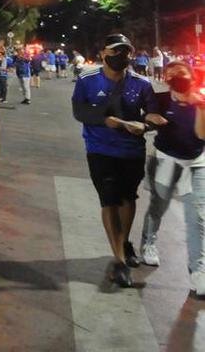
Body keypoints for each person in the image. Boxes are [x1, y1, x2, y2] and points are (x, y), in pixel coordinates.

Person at [70, 33, 162, 288]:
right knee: (108, 199)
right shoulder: (87, 80)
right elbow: (80, 111)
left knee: (127, 198)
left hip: (131, 151)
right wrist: (105, 119)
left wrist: (144, 126)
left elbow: (152, 114)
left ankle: (123, 242)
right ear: (103, 53)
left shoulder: (142, 84)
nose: (121, 57)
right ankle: (120, 260)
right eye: (115, 51)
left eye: (125, 52)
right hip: (99, 149)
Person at [137, 61, 205, 296]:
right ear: (166, 78)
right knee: (159, 204)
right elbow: (146, 119)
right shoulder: (161, 99)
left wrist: (201, 108)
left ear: (191, 76)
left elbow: (201, 135)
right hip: (166, 158)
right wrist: (150, 118)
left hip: (196, 161)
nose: (178, 78)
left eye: (182, 74)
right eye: (172, 75)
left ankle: (198, 271)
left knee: (197, 215)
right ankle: (148, 243)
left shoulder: (201, 100)